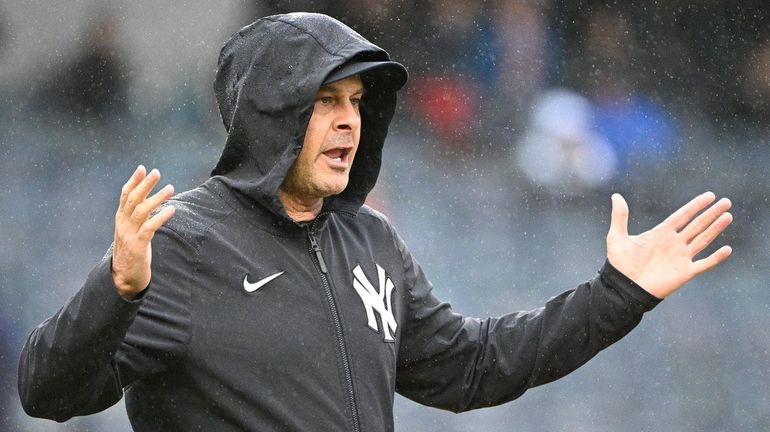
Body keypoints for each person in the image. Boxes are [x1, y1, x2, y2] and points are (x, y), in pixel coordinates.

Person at [18, 12, 733, 432]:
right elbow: (47, 391)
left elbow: (473, 368)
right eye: (326, 99)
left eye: (358, 102)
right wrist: (118, 288)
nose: (349, 122)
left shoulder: (372, 241)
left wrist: (618, 294)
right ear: (272, 111)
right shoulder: (183, 242)